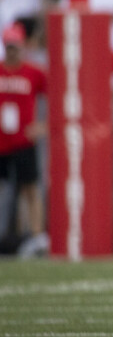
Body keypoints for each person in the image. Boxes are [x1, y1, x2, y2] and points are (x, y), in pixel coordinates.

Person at [0, 24, 46, 258]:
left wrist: (44, 126)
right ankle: (9, 236)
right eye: (8, 47)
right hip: (1, 141)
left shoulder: (33, 72)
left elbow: (57, 95)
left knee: (30, 188)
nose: (12, 52)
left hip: (23, 141)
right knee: (6, 191)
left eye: (15, 47)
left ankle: (36, 236)